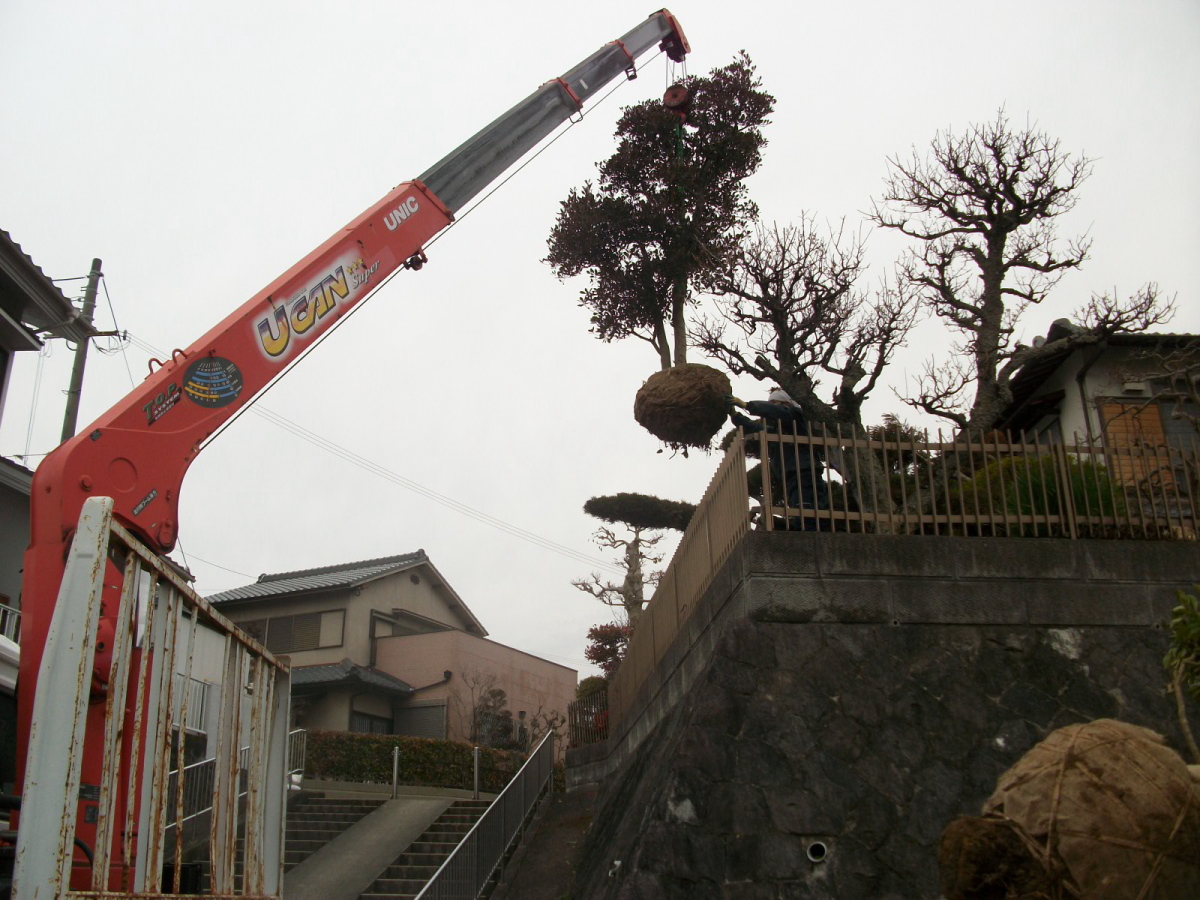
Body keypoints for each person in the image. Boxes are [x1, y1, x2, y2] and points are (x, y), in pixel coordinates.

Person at [728, 388, 828, 529]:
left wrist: (747, 405)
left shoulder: (795, 416)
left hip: (805, 473)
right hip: (791, 475)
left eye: (775, 403)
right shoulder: (775, 430)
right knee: (800, 512)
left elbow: (775, 411)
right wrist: (735, 415)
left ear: (786, 403)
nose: (771, 408)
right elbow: (753, 427)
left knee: (808, 514)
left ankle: (810, 539)